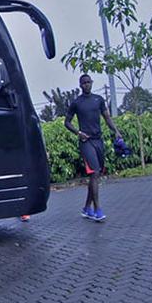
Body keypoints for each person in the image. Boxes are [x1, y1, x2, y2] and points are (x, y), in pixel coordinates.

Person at [65, 74, 121, 223]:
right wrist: (78, 133)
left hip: (98, 141)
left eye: (88, 82)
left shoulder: (98, 100)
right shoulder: (76, 103)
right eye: (84, 83)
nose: (86, 85)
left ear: (92, 83)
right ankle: (97, 210)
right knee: (95, 172)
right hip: (86, 141)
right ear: (80, 85)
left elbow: (107, 117)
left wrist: (116, 131)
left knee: (95, 175)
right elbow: (67, 122)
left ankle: (86, 208)